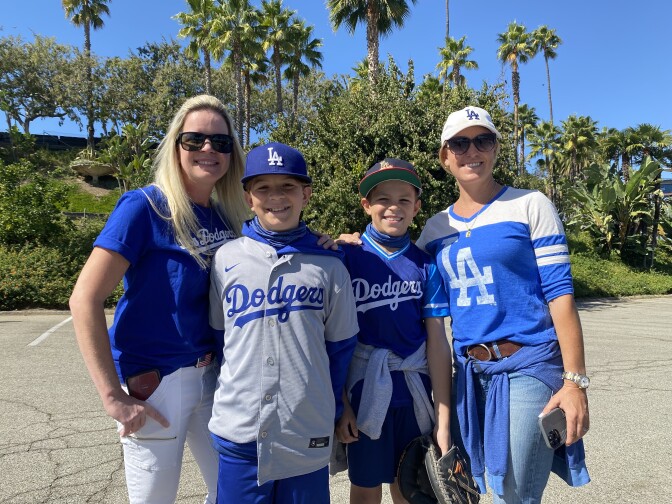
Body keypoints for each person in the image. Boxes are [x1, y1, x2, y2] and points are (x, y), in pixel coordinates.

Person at [69, 94, 251, 504]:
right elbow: (84, 299)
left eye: (221, 143)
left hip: (213, 377)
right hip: (156, 382)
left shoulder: (227, 215)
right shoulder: (145, 206)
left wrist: (334, 243)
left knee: (234, 492)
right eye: (195, 140)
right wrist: (112, 396)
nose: (209, 149)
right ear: (176, 146)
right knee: (155, 499)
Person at [415, 105, 591, 503]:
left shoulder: (530, 205)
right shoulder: (434, 230)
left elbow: (560, 295)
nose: (471, 150)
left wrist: (574, 382)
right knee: (474, 487)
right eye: (459, 143)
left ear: (495, 149)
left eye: (483, 140)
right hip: (470, 375)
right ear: (445, 157)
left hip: (529, 364)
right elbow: (401, 274)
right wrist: (348, 246)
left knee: (514, 493)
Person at [208, 142, 360, 504]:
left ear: (306, 194)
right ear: (248, 197)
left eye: (288, 187)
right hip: (240, 427)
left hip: (303, 426)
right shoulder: (225, 258)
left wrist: (335, 409)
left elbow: (340, 350)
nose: (276, 197)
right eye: (263, 188)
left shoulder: (329, 265)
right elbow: (220, 340)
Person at [334, 159, 453, 504]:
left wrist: (442, 419)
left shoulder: (425, 264)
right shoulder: (344, 257)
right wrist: (342, 405)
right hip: (364, 391)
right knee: (366, 488)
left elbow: (437, 343)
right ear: (366, 205)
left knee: (409, 488)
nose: (393, 207)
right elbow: (334, 342)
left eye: (404, 200)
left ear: (416, 207)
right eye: (383, 198)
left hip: (414, 393)